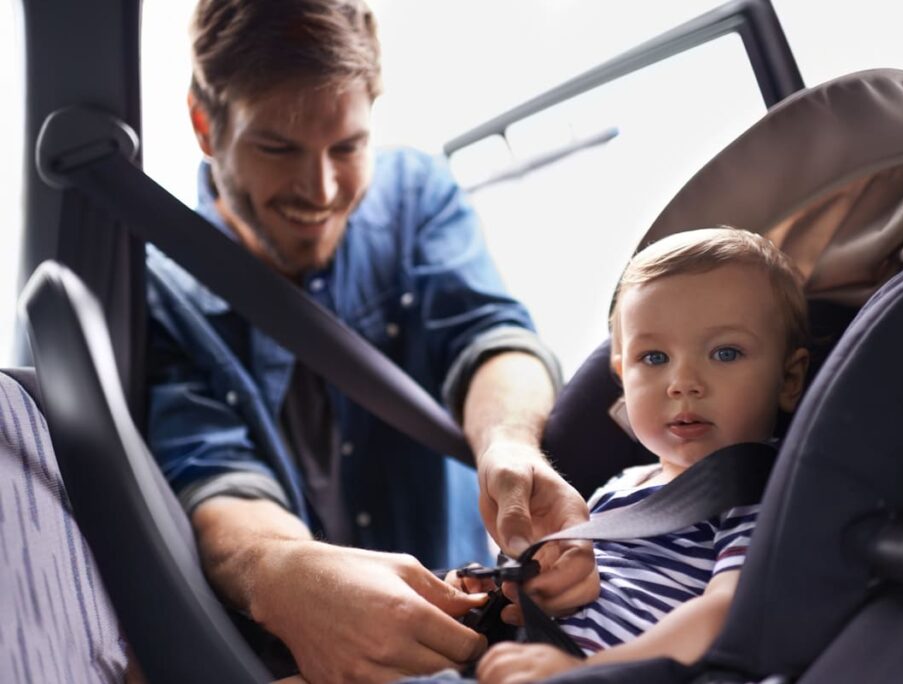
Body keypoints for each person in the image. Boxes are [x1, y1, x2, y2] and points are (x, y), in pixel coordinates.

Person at [144, 0, 594, 680]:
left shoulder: (416, 195)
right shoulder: (159, 294)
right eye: (278, 148)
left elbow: (492, 337)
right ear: (206, 126)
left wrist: (509, 444)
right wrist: (292, 579)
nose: (320, 189)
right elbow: (213, 476)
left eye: (348, 147)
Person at [473, 227, 810, 683]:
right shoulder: (619, 487)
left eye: (725, 352)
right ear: (621, 376)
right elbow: (586, 588)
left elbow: (725, 613)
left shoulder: (760, 491)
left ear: (789, 379)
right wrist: (514, 590)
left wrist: (586, 672)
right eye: (653, 358)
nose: (683, 382)